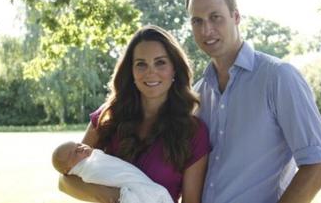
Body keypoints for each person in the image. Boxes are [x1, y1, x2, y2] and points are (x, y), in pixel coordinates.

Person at [185, 0, 321, 203]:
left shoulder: (279, 77)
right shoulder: (198, 93)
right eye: (197, 21)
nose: (206, 30)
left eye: (215, 17)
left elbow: (317, 167)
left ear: (236, 17)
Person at [58, 25, 210, 203]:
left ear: (174, 68)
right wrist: (117, 197)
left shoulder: (193, 132)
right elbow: (65, 180)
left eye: (160, 62)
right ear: (131, 71)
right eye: (141, 64)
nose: (150, 72)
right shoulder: (108, 116)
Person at [52, 141, 173, 203]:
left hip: (150, 190)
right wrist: (120, 196)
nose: (80, 148)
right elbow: (63, 182)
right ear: (69, 169)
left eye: (78, 144)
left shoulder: (93, 156)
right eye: (73, 153)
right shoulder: (87, 169)